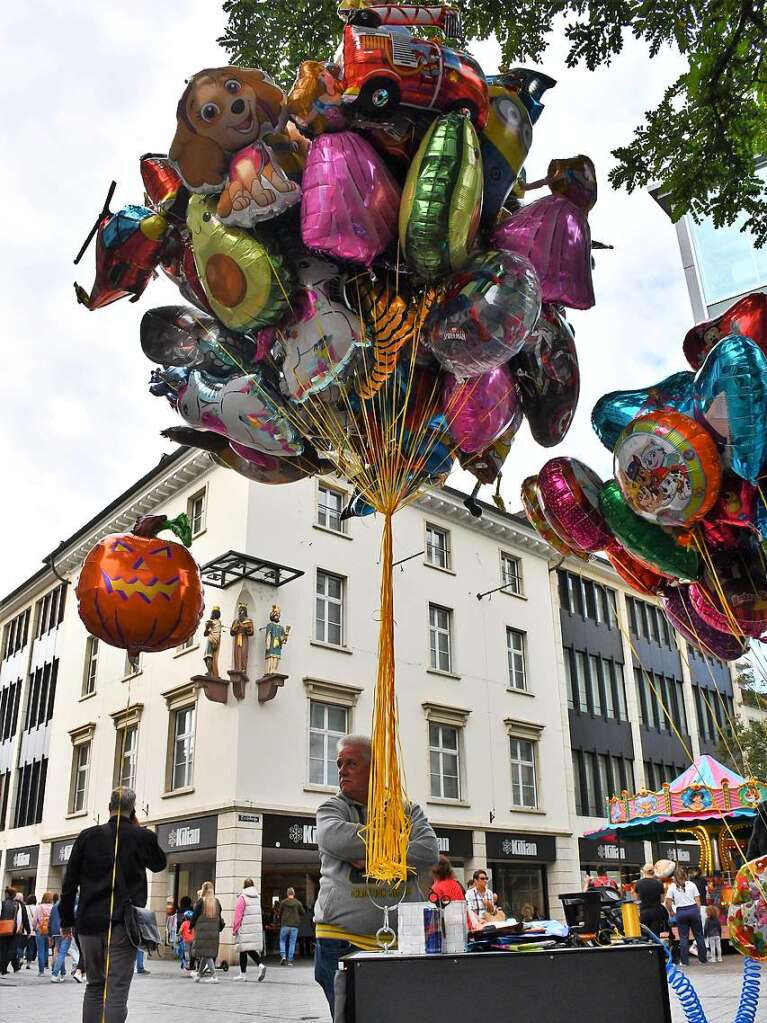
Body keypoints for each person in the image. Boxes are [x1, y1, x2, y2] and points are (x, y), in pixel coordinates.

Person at [313, 734, 439, 1017]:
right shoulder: (331, 809)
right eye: (339, 764)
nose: (341, 771)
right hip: (340, 941)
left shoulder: (407, 809)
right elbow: (335, 839)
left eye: (351, 763)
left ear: (375, 769)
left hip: (402, 942)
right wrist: (397, 844)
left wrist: (371, 854)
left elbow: (429, 850)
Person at [60, 787, 167, 1023]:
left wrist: (66, 919)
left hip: (88, 924)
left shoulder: (87, 836)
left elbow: (69, 883)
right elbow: (159, 864)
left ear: (109, 807)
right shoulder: (142, 836)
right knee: (116, 990)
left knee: (95, 986)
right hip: (122, 925)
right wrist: (137, 829)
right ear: (133, 809)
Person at [665, 867, 708, 966]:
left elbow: (668, 902)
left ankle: (684, 961)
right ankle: (703, 959)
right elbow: (698, 900)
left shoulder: (672, 887)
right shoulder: (692, 884)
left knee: (683, 938)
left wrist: (671, 911)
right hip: (693, 910)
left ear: (675, 877)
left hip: (681, 912)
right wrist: (696, 911)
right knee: (699, 935)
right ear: (685, 875)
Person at [232, 878, 266, 981]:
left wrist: (235, 928)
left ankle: (257, 966)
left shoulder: (242, 898)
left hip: (244, 928)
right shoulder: (256, 897)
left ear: (244, 886)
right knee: (245, 950)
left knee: (245, 949)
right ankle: (244, 973)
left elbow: (238, 914)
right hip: (254, 928)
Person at [190, 881, 224, 983]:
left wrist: (190, 926)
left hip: (202, 932)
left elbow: (194, 916)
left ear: (203, 890)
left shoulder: (201, 901)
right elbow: (220, 915)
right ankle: (199, 975)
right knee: (206, 953)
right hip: (214, 932)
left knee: (207, 955)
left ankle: (214, 976)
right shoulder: (216, 902)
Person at [635, 864, 668, 937]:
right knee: (655, 935)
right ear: (653, 872)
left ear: (644, 871)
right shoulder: (659, 883)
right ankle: (655, 948)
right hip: (656, 912)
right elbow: (662, 900)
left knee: (645, 934)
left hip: (644, 912)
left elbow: (637, 900)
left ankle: (647, 948)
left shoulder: (638, 883)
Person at [277, 888, 304, 965]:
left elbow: (279, 913)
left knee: (282, 941)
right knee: (292, 943)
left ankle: (283, 956)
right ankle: (290, 961)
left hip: (285, 925)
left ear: (287, 894)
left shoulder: (283, 902)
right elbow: (303, 912)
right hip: (294, 926)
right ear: (294, 893)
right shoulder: (298, 903)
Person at [0, 887, 21, 976]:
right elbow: (19, 918)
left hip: (2, 928)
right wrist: (17, 929)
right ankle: (4, 968)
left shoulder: (2, 903)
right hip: (13, 929)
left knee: (2, 949)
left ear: (7, 894)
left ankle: (2, 968)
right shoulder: (17, 905)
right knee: (11, 950)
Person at [32, 892, 54, 975]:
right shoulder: (53, 907)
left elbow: (34, 920)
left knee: (40, 949)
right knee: (46, 949)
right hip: (50, 930)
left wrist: (34, 927)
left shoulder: (39, 907)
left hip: (40, 929)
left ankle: (41, 971)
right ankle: (46, 965)